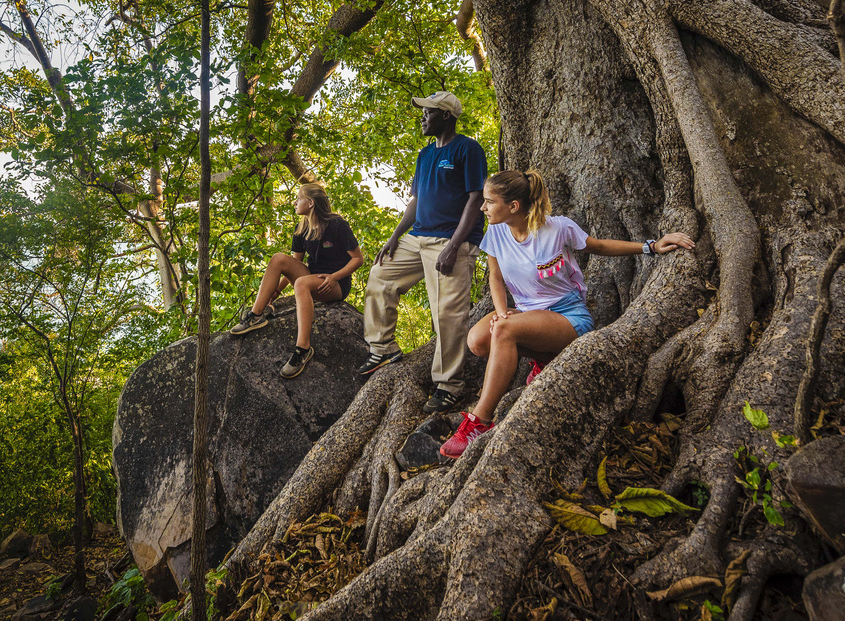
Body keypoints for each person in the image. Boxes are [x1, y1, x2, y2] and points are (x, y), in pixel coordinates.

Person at [438, 168, 695, 457]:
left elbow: (598, 246)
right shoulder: (497, 232)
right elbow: (495, 278)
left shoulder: (557, 228)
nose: (482, 207)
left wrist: (650, 246)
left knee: (504, 330)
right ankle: (543, 358)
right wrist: (501, 312)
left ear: (513, 206)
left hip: (568, 317)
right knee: (478, 340)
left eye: (489, 201)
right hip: (526, 315)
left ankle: (479, 422)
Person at [360, 91, 488, 415]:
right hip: (417, 239)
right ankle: (383, 347)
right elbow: (415, 201)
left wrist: (454, 246)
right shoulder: (424, 154)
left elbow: (476, 199)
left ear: (445, 115)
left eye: (427, 112)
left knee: (447, 313)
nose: (422, 117)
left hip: (450, 244)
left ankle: (449, 386)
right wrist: (394, 236)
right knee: (380, 276)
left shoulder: (467, 149)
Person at [232, 182, 364, 378]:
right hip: (311, 278)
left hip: (335, 285)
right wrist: (275, 291)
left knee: (301, 283)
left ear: (310, 203)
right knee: (279, 258)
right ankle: (256, 315)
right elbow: (295, 264)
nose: (295, 202)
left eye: (299, 198)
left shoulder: (337, 225)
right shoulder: (301, 228)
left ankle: (303, 349)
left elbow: (358, 259)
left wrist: (334, 277)